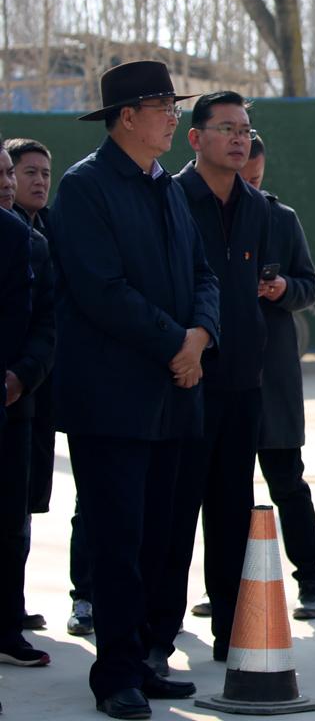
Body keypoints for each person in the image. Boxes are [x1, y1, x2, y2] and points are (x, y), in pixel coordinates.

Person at [52, 60, 217, 718]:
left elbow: (203, 275)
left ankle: (148, 658)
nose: (174, 118)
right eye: (163, 107)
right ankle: (115, 672)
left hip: (176, 392)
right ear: (127, 117)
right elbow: (100, 291)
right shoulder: (85, 189)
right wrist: (174, 342)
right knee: (117, 542)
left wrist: (200, 336)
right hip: (113, 399)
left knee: (162, 539)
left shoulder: (167, 187)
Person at [144, 91, 271, 674]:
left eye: (245, 129)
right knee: (173, 516)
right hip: (185, 382)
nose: (239, 139)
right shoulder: (167, 197)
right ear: (195, 139)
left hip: (242, 386)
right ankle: (156, 637)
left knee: (231, 515)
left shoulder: (259, 206)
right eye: (225, 128)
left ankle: (231, 632)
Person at [243, 135, 315, 619]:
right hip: (218, 371)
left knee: (287, 483)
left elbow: (309, 286)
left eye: (255, 179)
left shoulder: (282, 218)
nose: (248, 187)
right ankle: (225, 586)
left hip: (273, 373)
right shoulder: (192, 209)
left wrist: (281, 288)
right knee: (222, 490)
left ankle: (311, 582)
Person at [6, 139, 59, 635]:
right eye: (27, 173)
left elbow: (51, 319)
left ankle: (12, 611)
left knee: (21, 509)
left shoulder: (49, 235)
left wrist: (25, 374)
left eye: (45, 173)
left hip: (32, 393)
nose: (38, 181)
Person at [0, 154, 38, 669]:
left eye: (10, 172)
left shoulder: (30, 244)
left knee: (11, 524)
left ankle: (7, 625)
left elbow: (48, 323)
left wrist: (22, 375)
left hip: (16, 403)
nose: (9, 184)